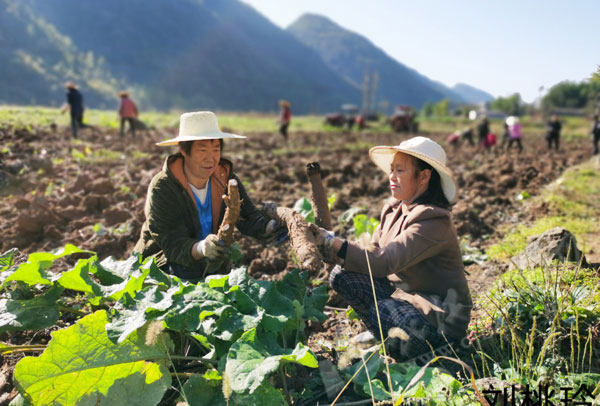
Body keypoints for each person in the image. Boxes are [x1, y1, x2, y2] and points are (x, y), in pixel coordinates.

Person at [311, 136, 472, 361]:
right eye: (391, 170)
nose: (392, 177)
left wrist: (331, 242)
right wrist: (329, 246)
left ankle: (427, 353)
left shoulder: (433, 220)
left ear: (424, 176)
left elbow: (383, 261)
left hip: (439, 318)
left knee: (385, 310)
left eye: (400, 171)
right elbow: (372, 250)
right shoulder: (394, 209)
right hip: (404, 299)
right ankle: (386, 338)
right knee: (343, 275)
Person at [134, 111, 285, 280]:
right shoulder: (163, 187)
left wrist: (271, 227)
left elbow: (247, 217)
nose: (211, 159)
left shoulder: (225, 179)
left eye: (216, 149)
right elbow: (172, 243)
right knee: (186, 273)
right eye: (203, 150)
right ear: (183, 150)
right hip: (160, 265)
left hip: (210, 262)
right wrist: (202, 248)